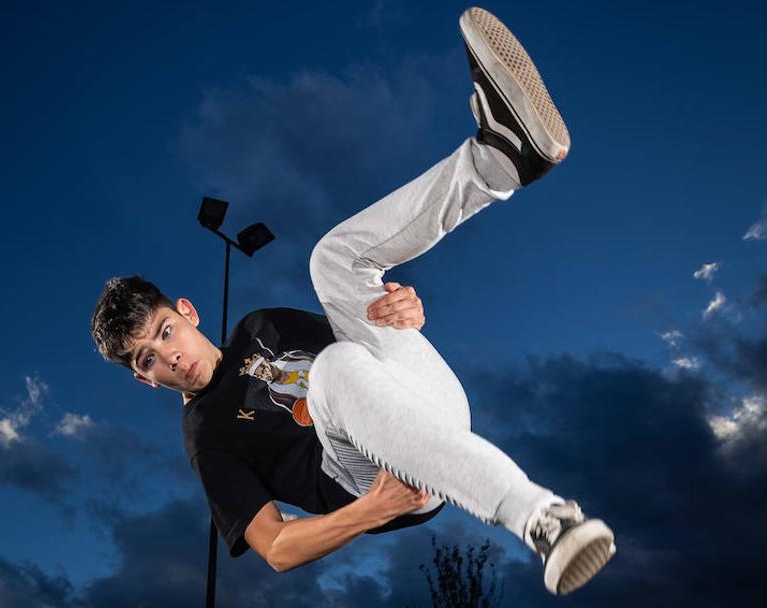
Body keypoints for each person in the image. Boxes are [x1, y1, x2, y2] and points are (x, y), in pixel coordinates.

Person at [91, 7, 615, 596]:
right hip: (380, 478)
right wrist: (373, 509)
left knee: (331, 263)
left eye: (164, 332)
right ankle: (543, 520)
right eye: (146, 360)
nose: (169, 357)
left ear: (186, 312)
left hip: (430, 407)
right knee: (333, 372)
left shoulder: (261, 323)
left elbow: (367, 332)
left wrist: (403, 310)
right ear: (145, 380)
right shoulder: (206, 437)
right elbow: (278, 548)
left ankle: (500, 160)